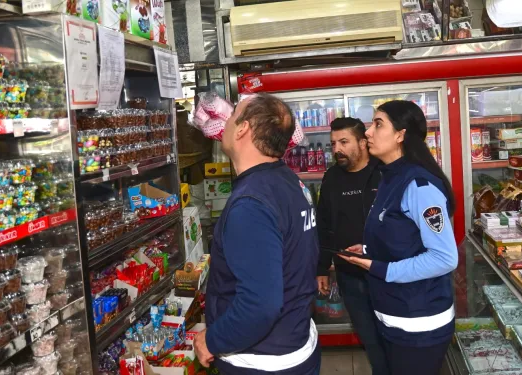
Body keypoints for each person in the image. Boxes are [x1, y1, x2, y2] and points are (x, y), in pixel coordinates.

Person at [194, 93, 321, 374]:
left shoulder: (251, 204)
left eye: (233, 115)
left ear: (242, 129)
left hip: (261, 361)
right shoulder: (288, 181)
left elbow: (261, 305)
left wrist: (212, 341)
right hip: (295, 341)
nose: (225, 122)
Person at [341, 100, 458, 375]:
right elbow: (401, 237)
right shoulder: (389, 178)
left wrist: (380, 267)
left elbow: (444, 258)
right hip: (393, 315)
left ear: (400, 135)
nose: (368, 132)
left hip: (419, 324)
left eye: (378, 124)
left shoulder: (420, 185)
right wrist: (369, 249)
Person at [316, 117, 389, 375]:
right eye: (333, 143)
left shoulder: (385, 172)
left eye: (344, 142)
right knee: (370, 339)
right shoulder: (332, 177)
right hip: (349, 275)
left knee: (391, 339)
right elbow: (324, 224)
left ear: (362, 142)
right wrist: (322, 267)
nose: (337, 149)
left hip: (386, 273)